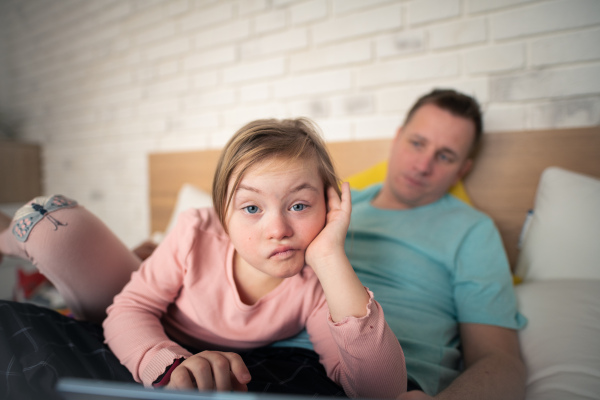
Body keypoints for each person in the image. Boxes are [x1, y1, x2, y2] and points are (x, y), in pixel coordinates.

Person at [0, 118, 406, 399]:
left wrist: (332, 255)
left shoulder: (317, 284)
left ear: (330, 206)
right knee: (49, 225)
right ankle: (7, 236)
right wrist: (169, 364)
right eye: (251, 209)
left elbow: (381, 391)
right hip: (142, 308)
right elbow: (129, 308)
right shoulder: (196, 231)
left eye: (299, 205)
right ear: (222, 216)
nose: (278, 228)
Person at [275, 89, 528, 399]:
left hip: (387, 383)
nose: (423, 165)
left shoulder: (472, 229)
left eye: (445, 156)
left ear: (462, 170)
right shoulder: (331, 205)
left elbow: (501, 361)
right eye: (417, 143)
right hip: (275, 356)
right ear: (397, 138)